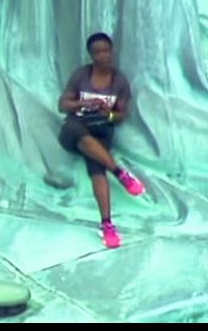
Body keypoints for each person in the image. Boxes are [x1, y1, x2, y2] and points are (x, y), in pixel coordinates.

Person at [57, 32, 145, 249]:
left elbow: (121, 115)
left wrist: (109, 113)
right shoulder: (81, 75)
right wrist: (81, 104)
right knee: (77, 130)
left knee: (97, 168)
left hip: (100, 133)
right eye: (97, 52)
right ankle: (120, 173)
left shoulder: (120, 81)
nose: (103, 56)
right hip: (73, 130)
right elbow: (62, 105)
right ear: (91, 55)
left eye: (106, 50)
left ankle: (107, 225)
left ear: (111, 51)